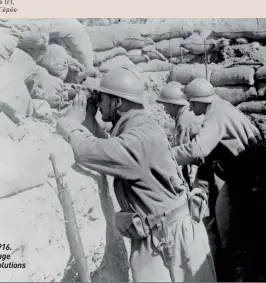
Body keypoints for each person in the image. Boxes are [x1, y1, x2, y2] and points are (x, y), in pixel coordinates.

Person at [56, 68, 217, 282]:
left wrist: (69, 123)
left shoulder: (138, 140)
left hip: (168, 240)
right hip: (171, 234)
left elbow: (88, 152)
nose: (100, 104)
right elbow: (113, 148)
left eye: (102, 99)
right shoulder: (141, 128)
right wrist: (92, 124)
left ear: (117, 103)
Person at [171, 78, 266, 281]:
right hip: (244, 179)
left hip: (245, 182)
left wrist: (166, 155)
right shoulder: (224, 107)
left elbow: (199, 148)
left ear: (200, 101)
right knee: (233, 232)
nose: (190, 108)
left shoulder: (215, 113)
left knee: (236, 239)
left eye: (191, 103)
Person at [156, 81, 205, 189]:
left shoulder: (183, 121)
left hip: (205, 161)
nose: (165, 110)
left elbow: (183, 154)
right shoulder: (189, 112)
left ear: (173, 105)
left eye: (165, 106)